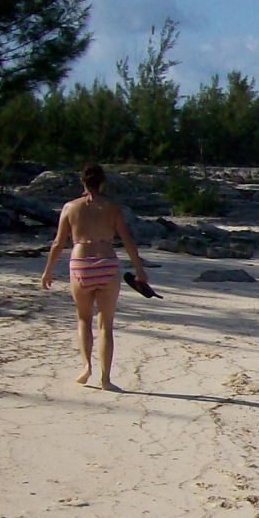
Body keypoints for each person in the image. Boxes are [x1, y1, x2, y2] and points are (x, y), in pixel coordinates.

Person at [40, 164, 150, 389]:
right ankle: (106, 379)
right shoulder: (112, 207)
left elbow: (59, 242)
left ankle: (86, 366)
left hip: (81, 264)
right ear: (102, 182)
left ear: (82, 182)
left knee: (83, 318)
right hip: (108, 263)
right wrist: (139, 269)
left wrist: (48, 270)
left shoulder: (71, 207)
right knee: (106, 325)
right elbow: (127, 240)